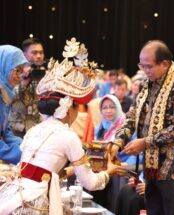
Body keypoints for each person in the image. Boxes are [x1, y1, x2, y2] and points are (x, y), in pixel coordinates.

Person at [0, 38, 126, 215]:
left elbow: (44, 172)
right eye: (77, 107)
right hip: (34, 205)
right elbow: (90, 183)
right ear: (68, 109)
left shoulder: (34, 130)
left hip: (13, 198)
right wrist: (109, 172)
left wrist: (76, 167)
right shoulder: (69, 136)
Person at [110, 40, 174, 215]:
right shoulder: (146, 84)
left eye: (148, 66)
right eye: (141, 65)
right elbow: (132, 116)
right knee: (153, 211)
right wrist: (117, 143)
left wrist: (145, 142)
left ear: (165, 64)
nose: (144, 70)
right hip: (152, 166)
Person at [9, 38, 47, 136]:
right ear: (24, 54)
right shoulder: (14, 72)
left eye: (41, 52)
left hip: (37, 128)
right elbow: (8, 97)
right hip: (16, 129)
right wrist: (25, 81)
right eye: (34, 53)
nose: (38, 56)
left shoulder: (45, 74)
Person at [0, 45, 28, 165]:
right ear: (3, 66)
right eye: (17, 70)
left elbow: (5, 133)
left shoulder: (4, 93)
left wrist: (27, 145)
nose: (20, 76)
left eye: (22, 71)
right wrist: (21, 155)